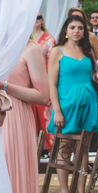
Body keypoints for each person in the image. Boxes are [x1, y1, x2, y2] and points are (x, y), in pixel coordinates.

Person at [0, 41, 50, 193]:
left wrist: (5, 86)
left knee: (12, 179)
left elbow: (43, 96)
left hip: (16, 119)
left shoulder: (30, 49)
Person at [47, 13, 98, 193]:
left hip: (87, 105)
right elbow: (52, 84)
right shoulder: (57, 51)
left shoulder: (87, 51)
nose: (76, 31)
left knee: (84, 149)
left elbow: (93, 75)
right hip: (67, 105)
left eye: (80, 28)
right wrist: (57, 110)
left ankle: (81, 191)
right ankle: (64, 191)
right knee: (65, 148)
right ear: (66, 30)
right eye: (72, 27)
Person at [30, 14, 55, 149]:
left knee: (45, 114)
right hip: (27, 83)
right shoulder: (23, 38)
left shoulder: (49, 39)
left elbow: (52, 62)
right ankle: (32, 147)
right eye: (33, 16)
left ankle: (48, 147)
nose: (36, 19)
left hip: (43, 80)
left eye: (39, 16)